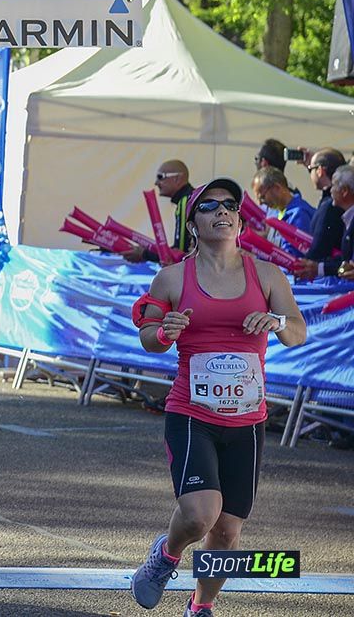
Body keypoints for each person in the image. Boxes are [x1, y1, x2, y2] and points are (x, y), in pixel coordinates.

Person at [129, 178, 306, 617]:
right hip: (192, 413)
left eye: (230, 205)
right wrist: (163, 332)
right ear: (193, 224)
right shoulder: (171, 278)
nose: (222, 211)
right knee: (198, 516)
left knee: (226, 532)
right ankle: (165, 556)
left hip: (247, 420)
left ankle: (200, 607)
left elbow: (298, 332)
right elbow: (149, 335)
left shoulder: (266, 275)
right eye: (209, 206)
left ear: (241, 220)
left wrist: (276, 320)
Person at [123, 160, 195, 263]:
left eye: (160, 177)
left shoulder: (185, 202)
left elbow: (179, 253)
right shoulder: (189, 199)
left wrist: (144, 254)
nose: (156, 183)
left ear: (177, 178)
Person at [294, 148, 347, 280]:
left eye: (312, 169)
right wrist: (311, 166)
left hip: (331, 278)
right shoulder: (334, 202)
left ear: (320, 171)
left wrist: (305, 266)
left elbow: (319, 249)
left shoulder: (330, 206)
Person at [249, 166, 314, 257]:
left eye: (262, 197)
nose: (260, 203)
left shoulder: (299, 214)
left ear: (277, 188)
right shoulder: (278, 213)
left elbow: (293, 258)